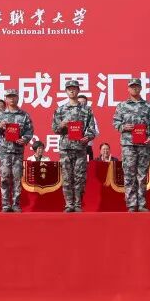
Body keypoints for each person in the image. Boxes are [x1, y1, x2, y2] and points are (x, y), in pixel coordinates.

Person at [52, 80, 98, 212]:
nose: (72, 91)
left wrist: (87, 137)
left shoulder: (86, 110)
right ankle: (69, 204)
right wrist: (62, 125)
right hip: (65, 148)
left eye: (74, 88)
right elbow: (55, 129)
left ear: (78, 91)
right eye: (69, 89)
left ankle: (78, 204)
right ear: (66, 91)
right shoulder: (60, 110)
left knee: (80, 177)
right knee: (67, 177)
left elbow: (92, 129)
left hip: (80, 148)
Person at [113, 78, 150, 212]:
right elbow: (115, 122)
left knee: (142, 175)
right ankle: (131, 204)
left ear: (141, 88)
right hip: (128, 145)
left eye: (137, 86)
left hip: (143, 144)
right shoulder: (122, 106)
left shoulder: (148, 106)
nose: (134, 88)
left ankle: (142, 204)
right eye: (132, 86)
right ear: (128, 89)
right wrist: (123, 127)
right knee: (129, 174)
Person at [0, 88, 34, 212]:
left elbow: (29, 131)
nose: (11, 99)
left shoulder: (24, 115)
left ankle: (16, 204)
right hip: (4, 152)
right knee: (4, 178)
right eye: (9, 96)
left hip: (17, 151)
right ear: (6, 99)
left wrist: (24, 139)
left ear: (18, 98)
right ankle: (5, 204)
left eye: (14, 96)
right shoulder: (0, 115)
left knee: (17, 178)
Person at [77, 95, 97, 161]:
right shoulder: (72, 115)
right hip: (73, 147)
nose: (82, 104)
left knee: (88, 166)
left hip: (87, 146)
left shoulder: (90, 116)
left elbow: (96, 131)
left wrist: (87, 136)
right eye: (80, 102)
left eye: (84, 103)